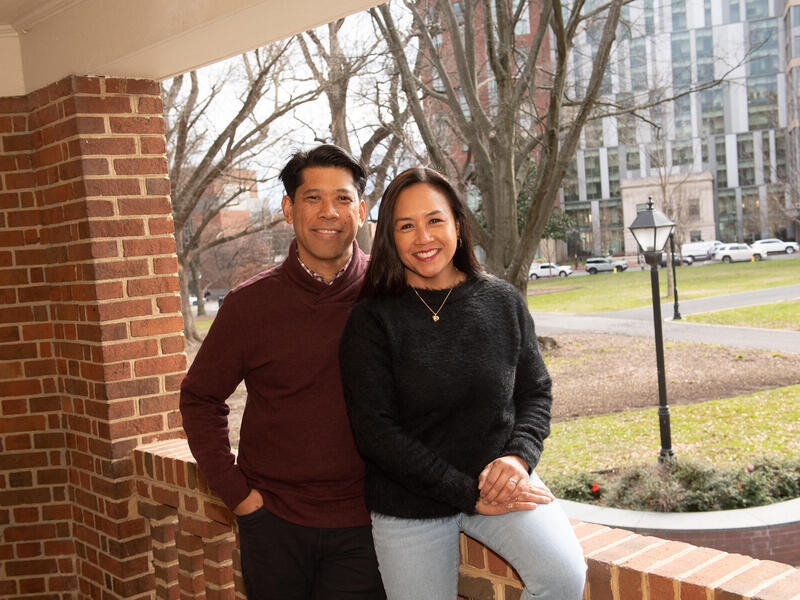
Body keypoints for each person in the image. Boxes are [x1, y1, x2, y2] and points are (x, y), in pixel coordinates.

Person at [339, 167, 587, 599]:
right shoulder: (372, 320)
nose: (423, 237)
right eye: (405, 226)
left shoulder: (502, 301)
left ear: (458, 222)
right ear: (389, 238)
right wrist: (466, 495)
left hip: (498, 481)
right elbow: (376, 433)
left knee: (563, 577)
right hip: (408, 502)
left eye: (435, 220)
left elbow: (535, 392)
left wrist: (519, 457)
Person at [180, 144, 385, 600]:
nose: (328, 212)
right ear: (288, 209)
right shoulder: (250, 304)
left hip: (367, 525)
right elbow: (200, 399)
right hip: (272, 524)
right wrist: (240, 499)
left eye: (343, 198)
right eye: (313, 198)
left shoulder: (390, 293)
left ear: (362, 209)